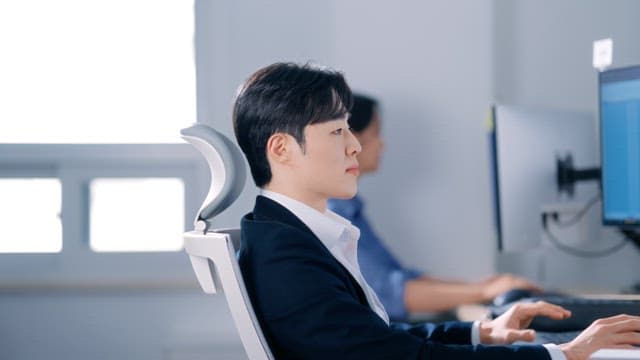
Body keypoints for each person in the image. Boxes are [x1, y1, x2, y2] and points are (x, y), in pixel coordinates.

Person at [232, 62, 640, 360]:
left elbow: (379, 341)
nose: (354, 145)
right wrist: (564, 353)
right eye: (338, 131)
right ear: (282, 149)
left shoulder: (286, 236)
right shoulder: (288, 257)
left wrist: (484, 331)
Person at [328, 94, 541, 321]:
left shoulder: (350, 207)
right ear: (351, 141)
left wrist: (476, 287)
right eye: (376, 133)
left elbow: (399, 278)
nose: (383, 143)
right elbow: (390, 294)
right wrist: (484, 292)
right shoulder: (332, 212)